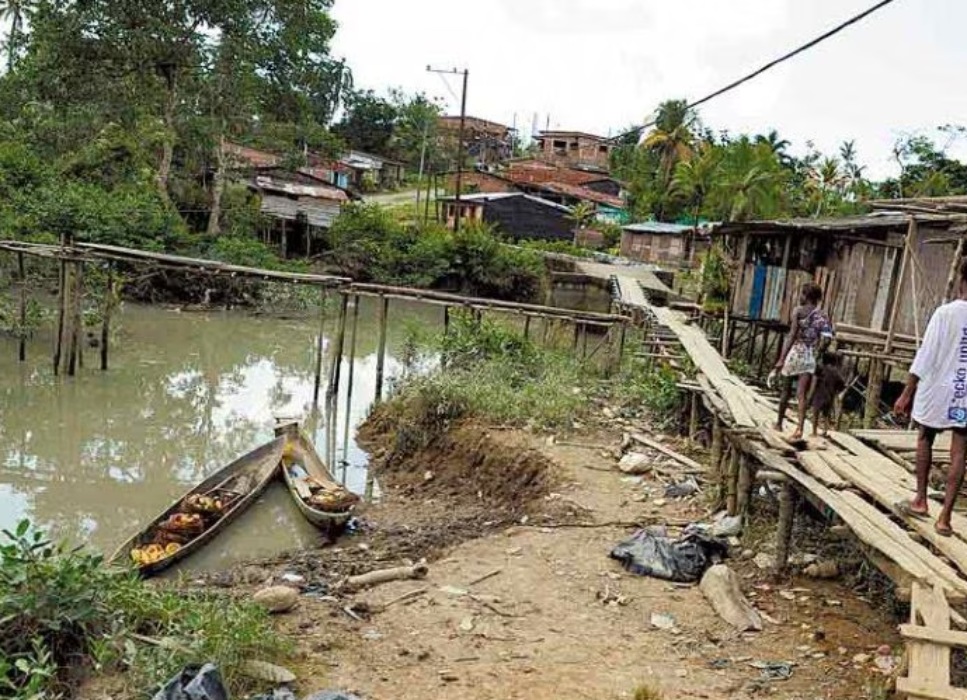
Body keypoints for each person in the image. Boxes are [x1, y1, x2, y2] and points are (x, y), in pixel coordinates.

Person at [893, 259, 967, 537]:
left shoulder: (945, 313)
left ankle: (921, 500)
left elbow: (926, 355)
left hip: (937, 390)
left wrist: (907, 392)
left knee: (925, 436)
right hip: (964, 397)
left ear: (961, 279)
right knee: (960, 451)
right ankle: (945, 518)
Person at [773, 282, 833, 440]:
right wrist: (819, 351)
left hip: (795, 353)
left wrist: (781, 359)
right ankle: (799, 428)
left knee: (786, 391)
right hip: (809, 356)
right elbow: (828, 338)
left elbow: (792, 335)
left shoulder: (798, 311)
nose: (800, 296)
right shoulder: (823, 315)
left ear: (806, 296)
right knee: (801, 394)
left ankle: (778, 423)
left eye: (802, 294)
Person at [810, 351, 846, 437]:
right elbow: (842, 384)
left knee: (816, 412)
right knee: (826, 414)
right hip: (830, 395)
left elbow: (814, 382)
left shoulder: (820, 368)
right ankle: (825, 430)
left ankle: (814, 431)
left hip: (819, 394)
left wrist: (810, 395)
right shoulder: (836, 372)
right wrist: (836, 392)